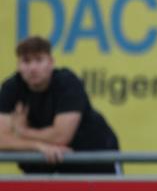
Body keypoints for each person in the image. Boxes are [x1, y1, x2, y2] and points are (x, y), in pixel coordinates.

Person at [0, 36, 120, 174]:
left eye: (39, 60)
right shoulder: (11, 87)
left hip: (94, 156)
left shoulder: (67, 82)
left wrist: (22, 132)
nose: (33, 68)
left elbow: (61, 137)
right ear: (18, 65)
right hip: (46, 161)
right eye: (26, 61)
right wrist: (38, 146)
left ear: (51, 62)